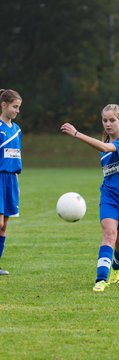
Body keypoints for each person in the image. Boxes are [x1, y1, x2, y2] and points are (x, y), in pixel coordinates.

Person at [61, 104, 119, 292]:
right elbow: (104, 146)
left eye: (112, 120)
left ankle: (117, 268)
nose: (108, 124)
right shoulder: (104, 147)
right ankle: (100, 279)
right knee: (108, 235)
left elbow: (106, 147)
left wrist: (77, 134)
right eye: (105, 120)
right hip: (109, 197)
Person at [0, 89, 22, 275]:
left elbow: (16, 158)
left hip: (11, 180)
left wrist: (17, 181)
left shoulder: (17, 130)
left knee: (4, 225)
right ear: (3, 105)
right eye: (14, 106)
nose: (17, 110)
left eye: (18, 107)